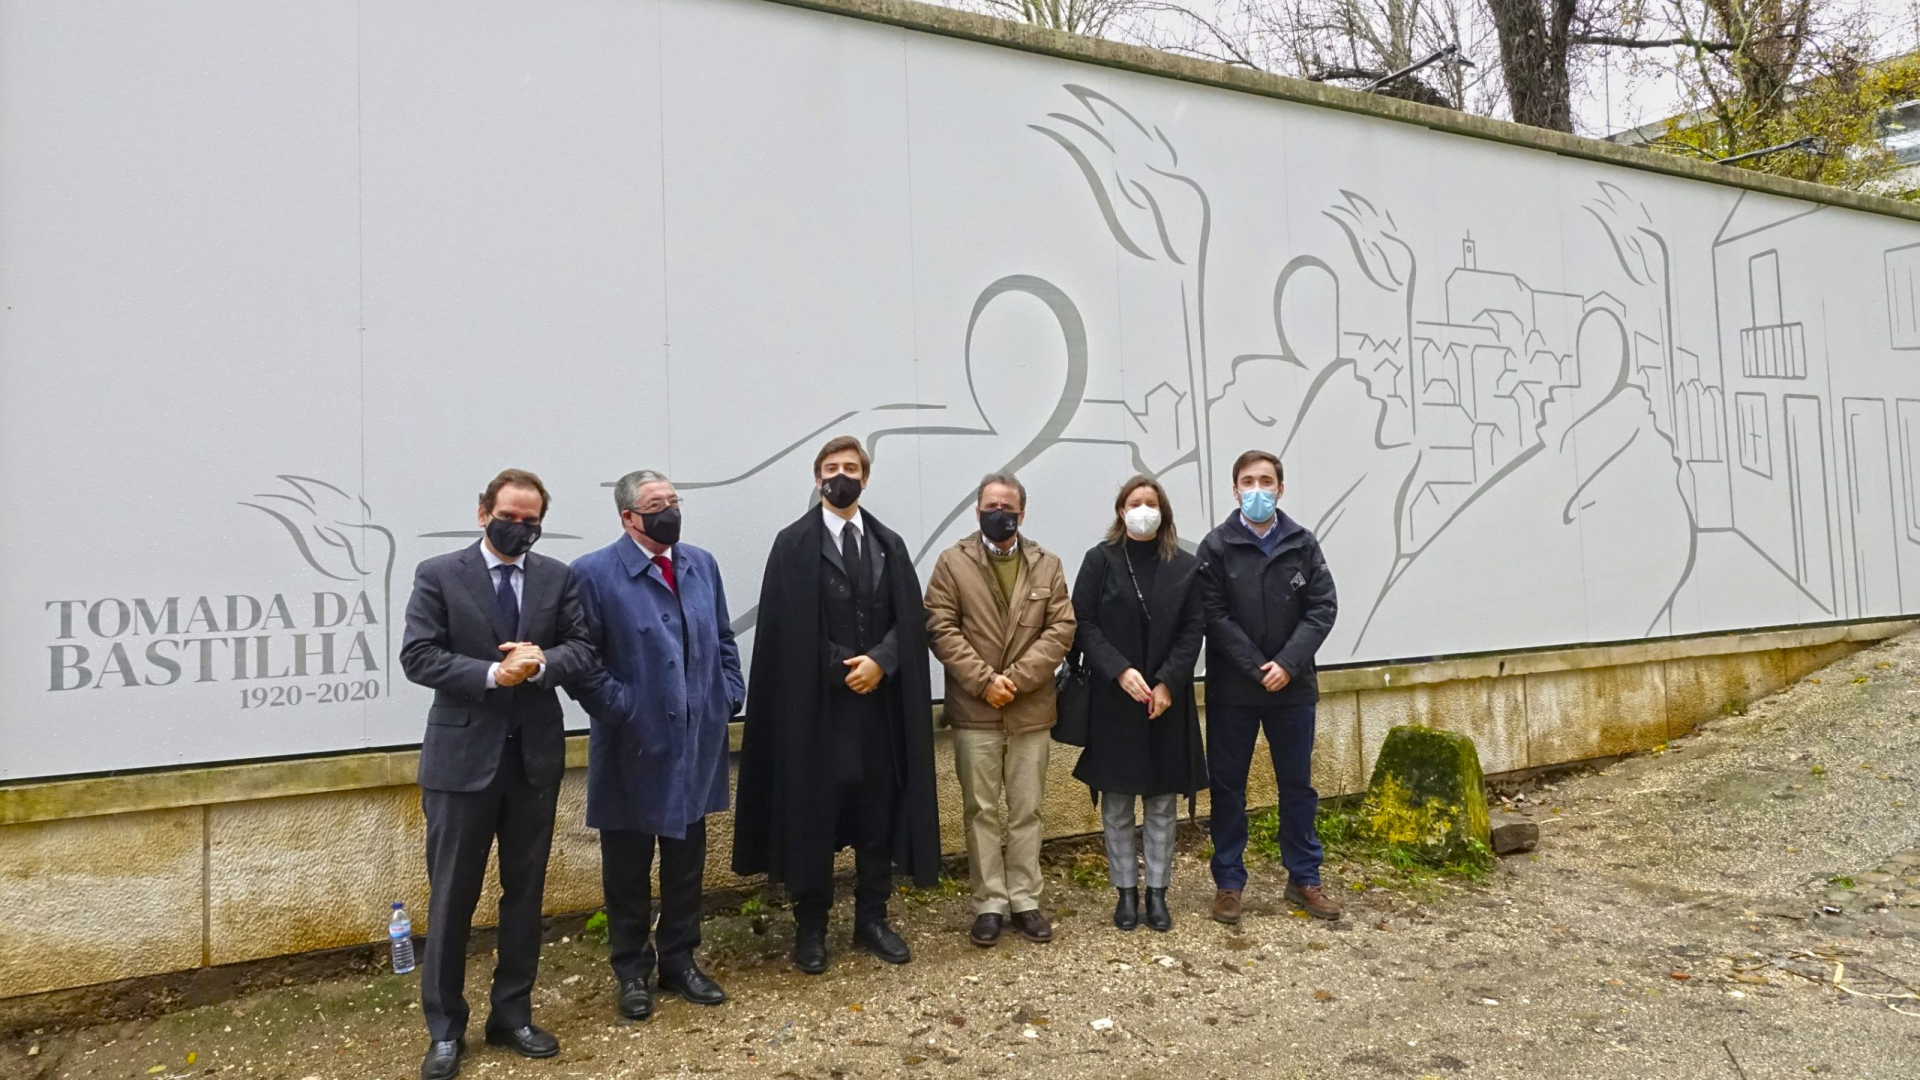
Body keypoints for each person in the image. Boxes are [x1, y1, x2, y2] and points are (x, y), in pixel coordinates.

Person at [399, 469, 595, 1080]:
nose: (519, 528)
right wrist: (492, 674)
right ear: (483, 512)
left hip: (533, 761)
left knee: (525, 895)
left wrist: (540, 663)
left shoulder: (558, 577)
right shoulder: (439, 573)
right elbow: (418, 655)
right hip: (461, 764)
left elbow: (583, 648)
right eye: (509, 516)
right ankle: (445, 1030)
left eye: (531, 520)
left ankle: (512, 1015)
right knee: (452, 897)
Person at [731, 435, 943, 974]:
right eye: (831, 467)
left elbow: (908, 619)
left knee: (877, 813)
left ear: (865, 479)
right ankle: (812, 927)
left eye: (851, 467)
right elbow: (786, 626)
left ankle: (872, 918)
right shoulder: (793, 545)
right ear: (817, 477)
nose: (841, 475)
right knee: (814, 816)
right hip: (816, 713)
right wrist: (843, 667)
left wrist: (883, 662)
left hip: (878, 712)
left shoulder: (889, 544)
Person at [568, 470, 743, 1022]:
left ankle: (680, 961)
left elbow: (723, 637)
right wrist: (622, 708)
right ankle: (631, 972)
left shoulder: (701, 564)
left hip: (695, 740)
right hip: (632, 745)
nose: (669, 511)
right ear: (628, 517)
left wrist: (727, 694)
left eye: (673, 500)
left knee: (686, 862)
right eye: (655, 504)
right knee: (627, 867)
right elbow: (582, 660)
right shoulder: (593, 573)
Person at [923, 472, 1076, 948]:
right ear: (977, 511)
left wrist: (1018, 680)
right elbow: (940, 626)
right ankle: (990, 902)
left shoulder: (1047, 564)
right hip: (975, 710)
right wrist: (985, 681)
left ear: (1022, 513)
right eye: (990, 506)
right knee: (981, 811)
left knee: (1027, 810)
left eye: (1007, 507)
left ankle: (1025, 899)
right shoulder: (952, 563)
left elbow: (1061, 629)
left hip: (1030, 711)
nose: (998, 513)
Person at [1196, 450, 1341, 924]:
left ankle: (1304, 878)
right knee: (1228, 789)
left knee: (1297, 786)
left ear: (1280, 488)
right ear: (1234, 489)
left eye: (1265, 480)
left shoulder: (1302, 543)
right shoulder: (1216, 546)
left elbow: (1322, 607)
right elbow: (1213, 614)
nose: (1257, 489)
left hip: (1292, 689)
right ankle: (1229, 883)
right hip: (1233, 691)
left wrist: (1288, 663)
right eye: (1247, 481)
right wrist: (1258, 667)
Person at [1069, 475, 1206, 933]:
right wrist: (1119, 670)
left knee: (1162, 802)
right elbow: (1083, 623)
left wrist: (1167, 682)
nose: (1143, 510)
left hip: (1166, 702)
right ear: (1121, 511)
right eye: (1134, 503)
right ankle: (1125, 892)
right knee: (1117, 801)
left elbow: (1193, 630)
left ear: (1163, 512)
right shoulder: (1101, 560)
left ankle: (1158, 893)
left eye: (1151, 502)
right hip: (1115, 700)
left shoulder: (1185, 565)